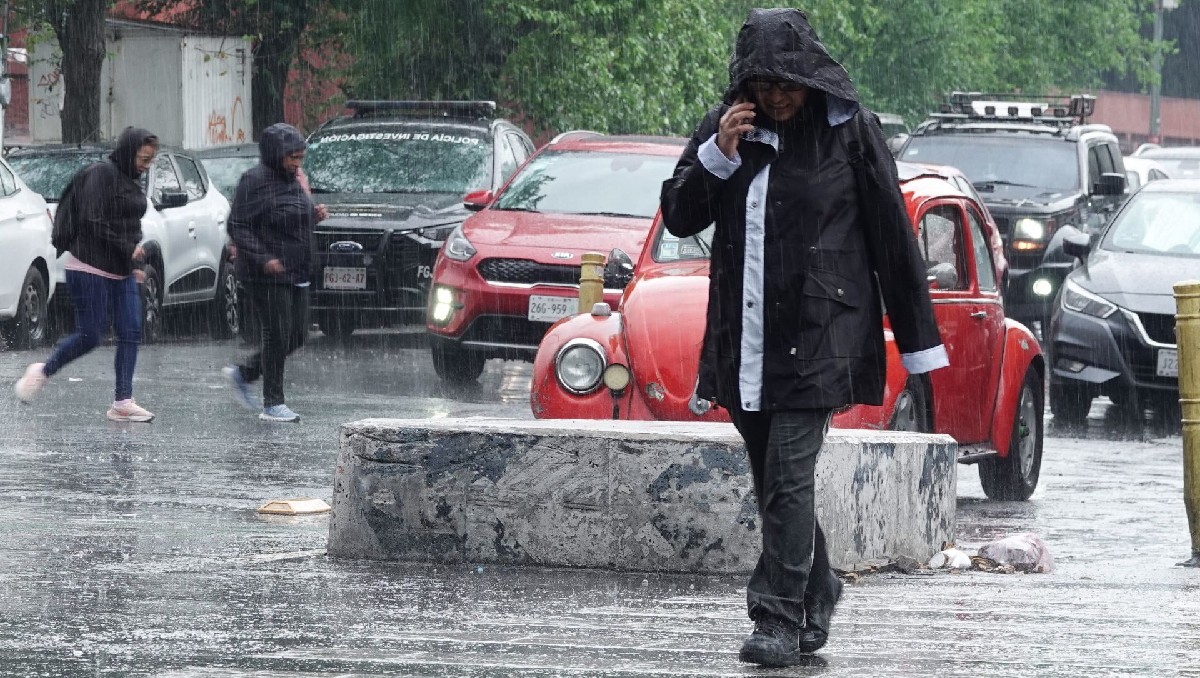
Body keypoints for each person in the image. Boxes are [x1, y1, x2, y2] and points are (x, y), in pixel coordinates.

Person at [660, 8, 949, 667]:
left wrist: (917, 342)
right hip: (745, 338)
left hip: (821, 332)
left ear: (810, 76)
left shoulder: (849, 130)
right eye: (764, 85)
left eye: (787, 84)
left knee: (789, 477)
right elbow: (679, 214)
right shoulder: (726, 128)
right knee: (774, 483)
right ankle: (819, 588)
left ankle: (777, 617)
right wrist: (717, 156)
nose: (777, 97)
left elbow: (891, 235)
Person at [14, 127, 159, 422]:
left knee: (131, 331)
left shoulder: (132, 182)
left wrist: (136, 263)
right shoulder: (101, 175)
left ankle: (122, 401)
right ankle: (43, 371)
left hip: (121, 271)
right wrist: (126, 248)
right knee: (90, 335)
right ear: (128, 152)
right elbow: (91, 220)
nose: (146, 166)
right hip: (89, 267)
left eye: (150, 160)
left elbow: (132, 227)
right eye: (143, 159)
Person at [222, 123, 327, 423]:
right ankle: (273, 403)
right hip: (264, 274)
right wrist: (264, 258)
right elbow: (237, 226)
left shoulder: (292, 180)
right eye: (292, 157)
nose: (297, 164)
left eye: (300, 158)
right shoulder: (254, 181)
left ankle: (245, 373)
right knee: (276, 333)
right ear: (276, 154)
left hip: (295, 270)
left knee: (297, 335)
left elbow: (289, 218)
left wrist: (313, 216)